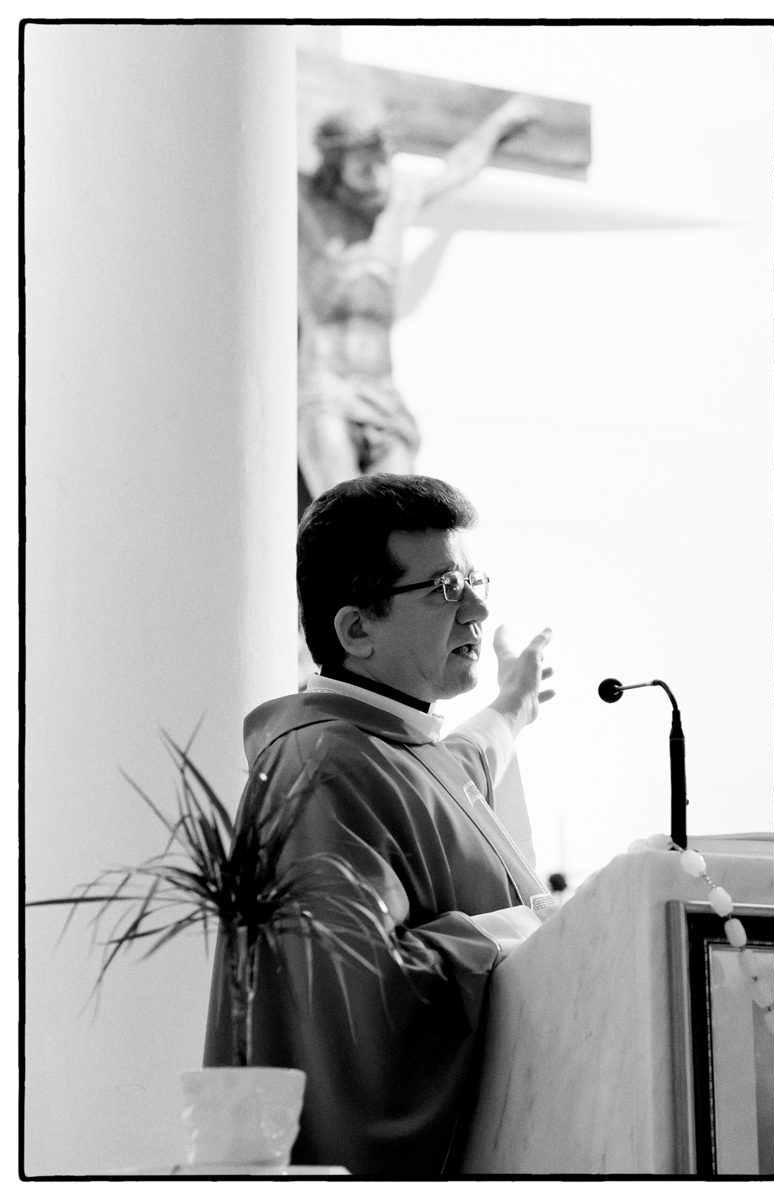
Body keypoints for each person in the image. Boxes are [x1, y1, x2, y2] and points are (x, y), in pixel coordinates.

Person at [203, 474, 555, 1176]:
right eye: (446, 588)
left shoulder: (391, 748)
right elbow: (363, 1009)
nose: (480, 606)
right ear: (357, 629)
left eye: (474, 580)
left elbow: (462, 764)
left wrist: (513, 704)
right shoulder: (321, 768)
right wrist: (534, 926)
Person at [297, 96, 542, 505]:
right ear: (336, 164)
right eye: (363, 162)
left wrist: (499, 124)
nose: (377, 170)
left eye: (382, 158)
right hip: (327, 388)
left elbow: (458, 167)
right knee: (344, 518)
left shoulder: (400, 201)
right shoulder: (309, 205)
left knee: (401, 521)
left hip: (384, 394)